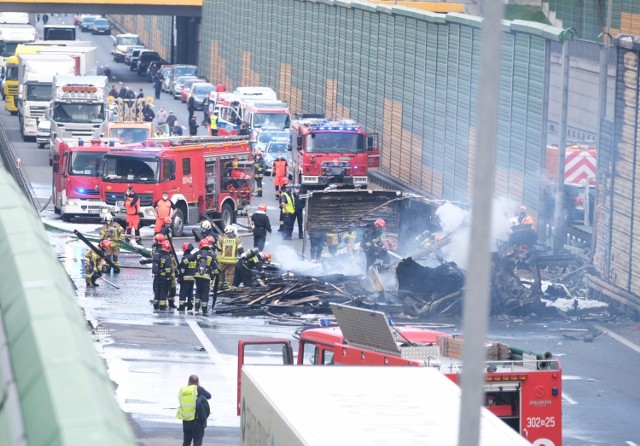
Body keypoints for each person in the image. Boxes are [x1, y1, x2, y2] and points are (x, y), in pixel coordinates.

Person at [176, 375, 211, 446]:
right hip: (196, 421)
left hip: (186, 421)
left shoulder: (182, 390)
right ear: (197, 382)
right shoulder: (198, 389)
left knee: (186, 442)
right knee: (197, 443)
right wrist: (199, 386)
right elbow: (209, 396)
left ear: (188, 381)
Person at [216, 225, 244, 289]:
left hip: (222, 261)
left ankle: (219, 285)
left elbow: (218, 249)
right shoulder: (237, 240)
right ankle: (230, 287)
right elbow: (241, 251)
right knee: (230, 275)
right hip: (232, 262)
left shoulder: (221, 239)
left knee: (220, 273)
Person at [194, 238, 216, 314]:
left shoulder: (197, 253)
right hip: (206, 277)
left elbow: (190, 260)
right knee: (205, 293)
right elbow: (215, 267)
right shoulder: (210, 255)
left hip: (198, 276)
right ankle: (204, 309)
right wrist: (215, 274)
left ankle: (196, 308)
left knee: (198, 291)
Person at [152, 240, 175, 311]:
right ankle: (162, 306)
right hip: (165, 277)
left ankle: (156, 304)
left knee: (158, 291)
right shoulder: (167, 258)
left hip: (159, 276)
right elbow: (168, 269)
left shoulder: (159, 255)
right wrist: (168, 278)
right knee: (163, 291)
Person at [178, 243, 197, 312]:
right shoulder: (193, 258)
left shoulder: (185, 258)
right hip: (192, 279)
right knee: (190, 293)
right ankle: (190, 306)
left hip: (185, 279)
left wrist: (179, 277)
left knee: (183, 293)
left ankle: (182, 307)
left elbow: (183, 269)